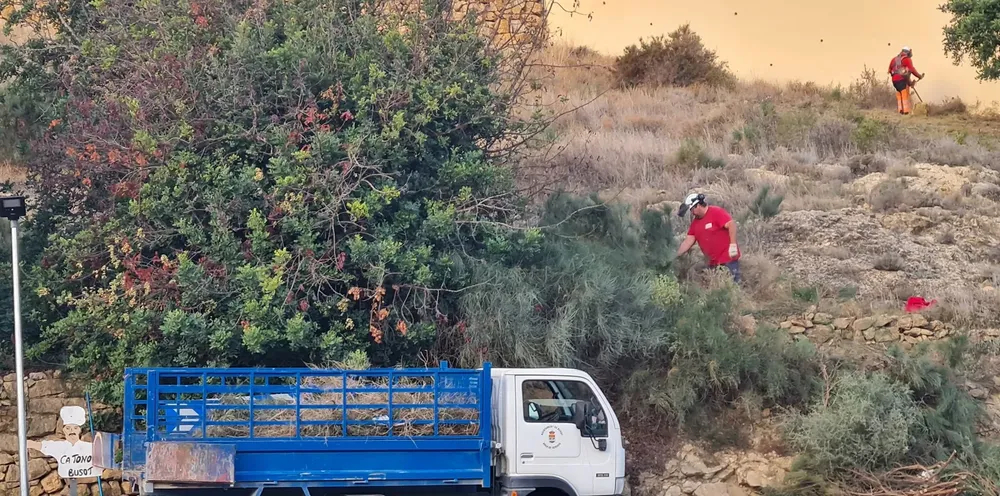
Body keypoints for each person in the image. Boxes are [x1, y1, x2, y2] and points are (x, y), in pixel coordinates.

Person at [676, 193, 741, 282]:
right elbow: (688, 241)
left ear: (698, 205)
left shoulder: (716, 212)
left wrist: (733, 245)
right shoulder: (695, 224)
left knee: (732, 286)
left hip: (727, 259)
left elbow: (731, 224)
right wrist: (676, 255)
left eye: (692, 210)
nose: (692, 212)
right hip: (712, 263)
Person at [888, 47, 923, 115]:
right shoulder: (907, 59)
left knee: (899, 94)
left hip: (894, 81)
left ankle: (900, 110)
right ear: (908, 52)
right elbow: (912, 70)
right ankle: (906, 111)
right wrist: (919, 76)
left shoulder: (893, 59)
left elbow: (890, 70)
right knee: (905, 95)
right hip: (901, 79)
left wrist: (909, 81)